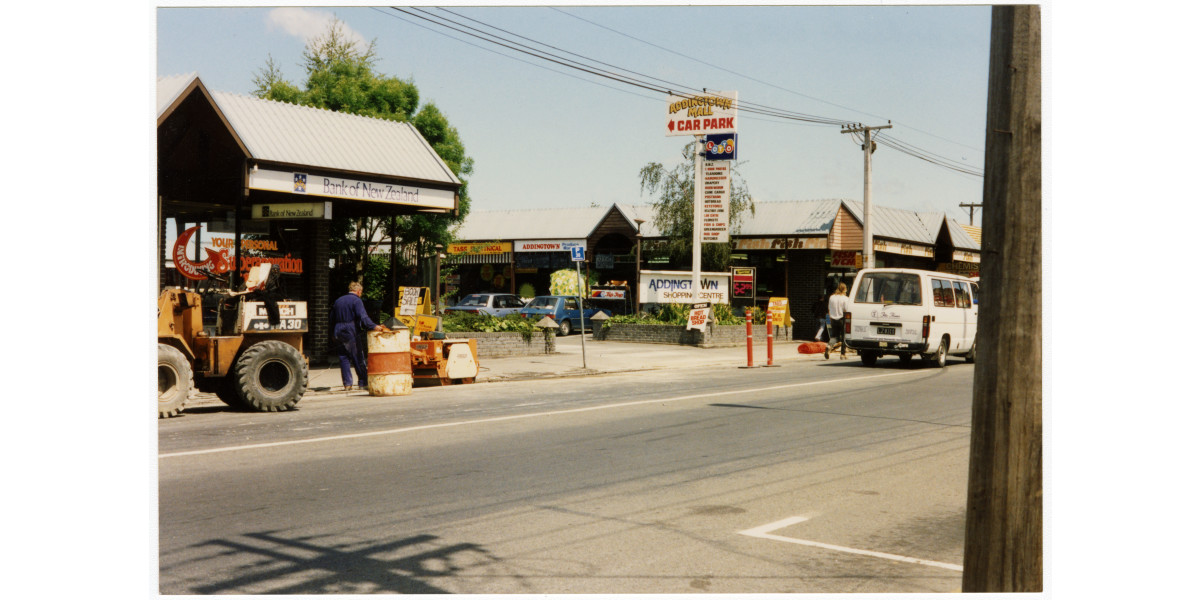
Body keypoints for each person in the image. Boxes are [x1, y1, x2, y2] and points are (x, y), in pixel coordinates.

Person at [331, 281, 386, 391]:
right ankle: (363, 382)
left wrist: (332, 333)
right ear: (359, 291)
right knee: (358, 356)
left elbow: (331, 318)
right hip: (350, 329)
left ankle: (347, 384)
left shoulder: (338, 300)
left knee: (343, 357)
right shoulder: (356, 300)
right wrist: (374, 326)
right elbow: (363, 317)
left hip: (337, 329)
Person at [825, 282, 850, 360]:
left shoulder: (831, 297)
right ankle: (842, 354)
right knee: (843, 337)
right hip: (842, 319)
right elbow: (846, 309)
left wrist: (831, 317)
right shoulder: (845, 299)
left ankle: (829, 346)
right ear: (844, 289)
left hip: (833, 318)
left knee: (834, 336)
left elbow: (829, 308)